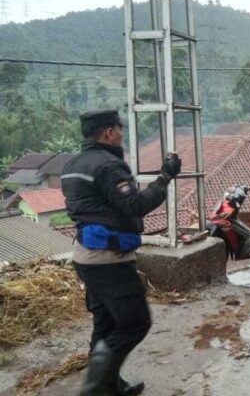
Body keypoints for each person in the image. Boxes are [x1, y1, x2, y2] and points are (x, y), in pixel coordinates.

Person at [61, 109, 181, 396]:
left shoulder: (73, 164)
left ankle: (110, 386)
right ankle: (94, 389)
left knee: (106, 324)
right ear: (109, 132)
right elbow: (136, 205)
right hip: (109, 260)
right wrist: (165, 177)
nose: (122, 135)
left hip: (86, 256)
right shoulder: (108, 166)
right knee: (135, 322)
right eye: (120, 130)